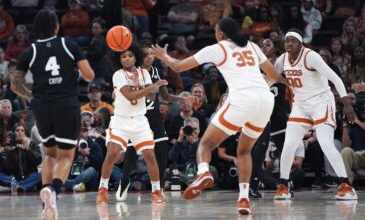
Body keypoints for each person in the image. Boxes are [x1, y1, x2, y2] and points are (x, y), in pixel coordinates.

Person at [152, 17, 283, 215]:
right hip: (265, 99)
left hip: (242, 99)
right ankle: (244, 199)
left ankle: (203, 172)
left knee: (205, 145)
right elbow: (274, 76)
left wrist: (163, 56)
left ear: (221, 33)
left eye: (215, 30)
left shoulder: (218, 48)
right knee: (245, 151)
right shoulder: (252, 47)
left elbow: (178, 67)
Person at [10, 9, 94, 220]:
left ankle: (46, 197)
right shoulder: (69, 45)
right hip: (66, 104)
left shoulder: (30, 51)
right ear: (57, 26)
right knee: (66, 155)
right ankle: (53, 191)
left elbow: (15, 84)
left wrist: (32, 94)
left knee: (49, 154)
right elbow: (89, 74)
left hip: (41, 106)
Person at [273, 29, 358, 201]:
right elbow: (272, 77)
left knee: (326, 143)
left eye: (293, 41)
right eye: (286, 40)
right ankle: (283, 185)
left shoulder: (311, 57)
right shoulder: (282, 60)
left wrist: (346, 103)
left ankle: (346, 185)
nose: (288, 43)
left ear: (300, 43)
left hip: (321, 102)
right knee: (289, 144)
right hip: (301, 105)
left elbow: (335, 78)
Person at [115, 41, 196, 202]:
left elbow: (165, 96)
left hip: (154, 118)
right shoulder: (132, 73)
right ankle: (123, 183)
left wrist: (183, 98)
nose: (150, 57)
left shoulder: (156, 72)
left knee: (161, 152)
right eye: (146, 55)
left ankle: (157, 188)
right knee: (131, 155)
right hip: (137, 118)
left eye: (152, 54)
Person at [96, 43, 168, 205]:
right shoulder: (118, 75)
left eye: (130, 56)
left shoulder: (144, 73)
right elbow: (129, 96)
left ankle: (156, 191)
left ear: (136, 57)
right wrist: (148, 87)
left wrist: (150, 87)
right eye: (123, 56)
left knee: (150, 154)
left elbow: (151, 97)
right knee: (112, 153)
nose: (127, 59)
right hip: (121, 120)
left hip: (140, 121)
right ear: (119, 59)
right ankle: (103, 189)